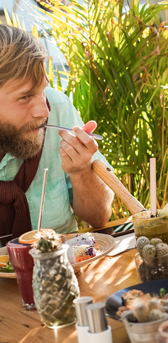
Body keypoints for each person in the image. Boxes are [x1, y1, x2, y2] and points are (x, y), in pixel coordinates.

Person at [0, 25, 113, 246]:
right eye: (25, 97)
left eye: (42, 90)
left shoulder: (58, 107)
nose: (44, 111)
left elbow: (100, 217)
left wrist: (82, 171)